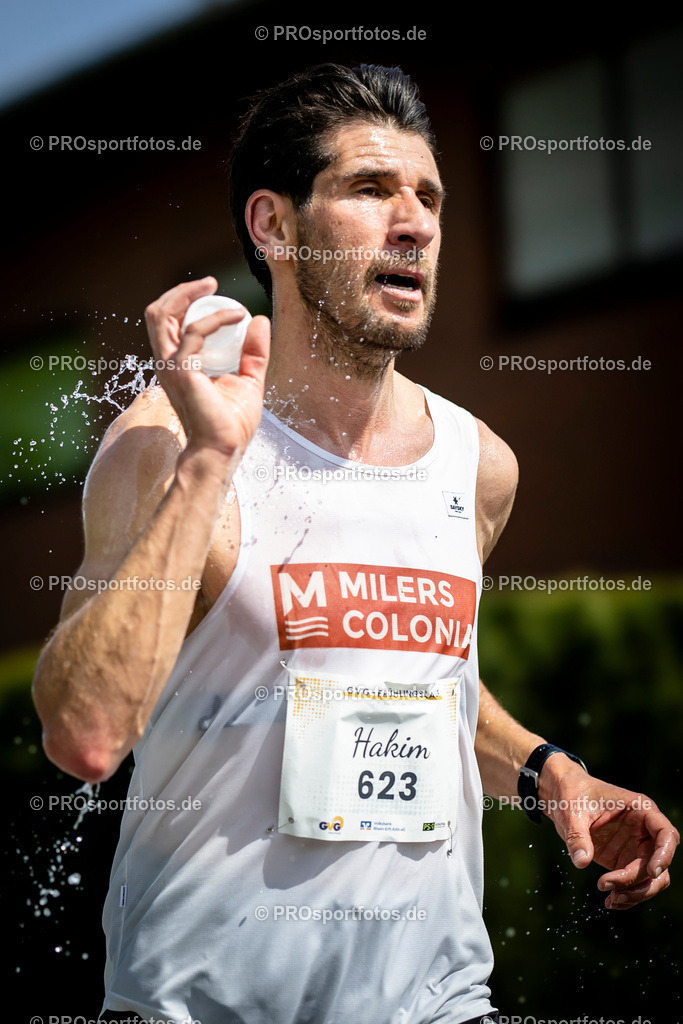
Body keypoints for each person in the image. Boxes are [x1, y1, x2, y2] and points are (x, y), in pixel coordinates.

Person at [32, 63, 678, 1024]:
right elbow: (84, 736)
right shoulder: (164, 441)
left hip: (439, 1004)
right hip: (201, 1008)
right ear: (273, 225)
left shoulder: (478, 465)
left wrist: (550, 773)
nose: (413, 223)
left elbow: (421, 679)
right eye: (369, 191)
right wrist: (211, 459)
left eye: (428, 198)